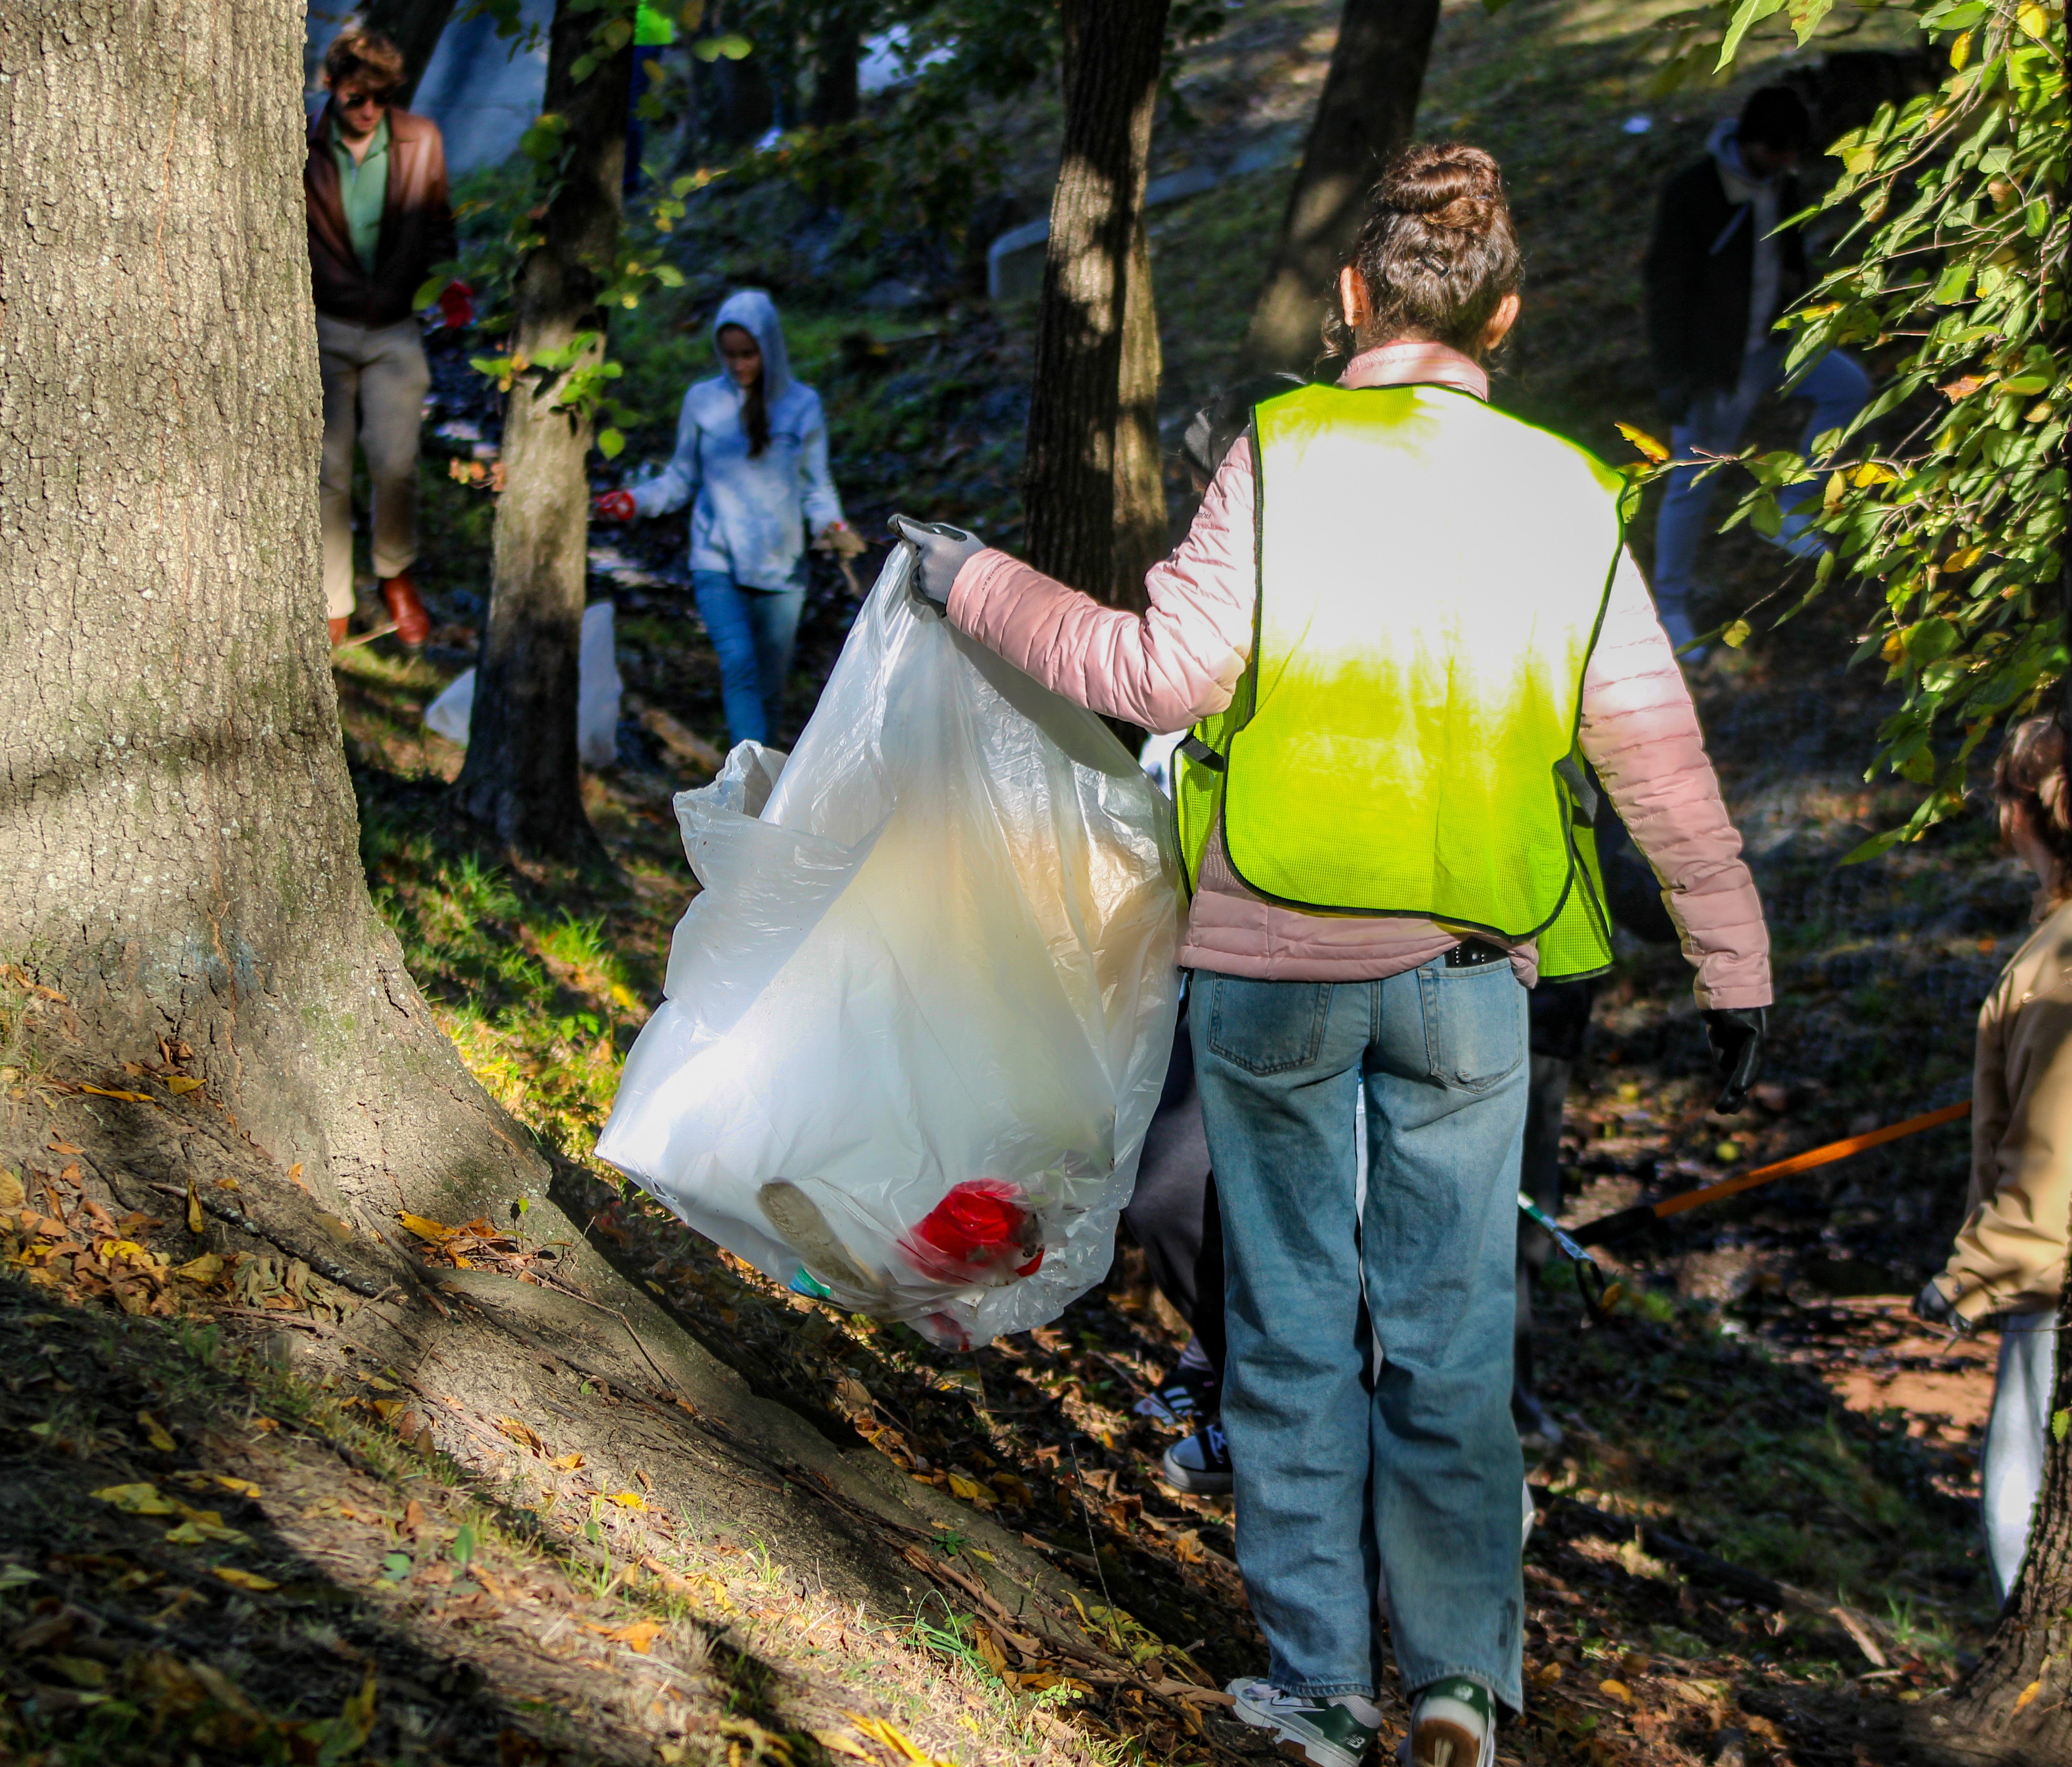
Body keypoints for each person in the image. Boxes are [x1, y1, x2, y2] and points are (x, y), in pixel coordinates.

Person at [893, 144, 1772, 1767]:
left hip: (1273, 966)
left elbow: (1154, 675)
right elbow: (1654, 747)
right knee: (1454, 1338)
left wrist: (971, 584)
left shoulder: (1282, 455)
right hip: (1469, 975)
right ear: (1507, 311)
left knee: (1293, 1331)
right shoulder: (1570, 492)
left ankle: (1315, 1695)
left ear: (1354, 300)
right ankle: (1455, 1688)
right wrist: (1736, 972)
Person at [1912, 715, 2072, 1607]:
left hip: (2065, 1294)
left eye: (2003, 792)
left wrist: (1974, 1275)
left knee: (2024, 1487)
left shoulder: (2069, 962)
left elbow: (2055, 1151)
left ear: (2031, 812)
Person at [1642, 82, 1869, 655]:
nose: (1790, 163)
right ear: (1753, 143)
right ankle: (1668, 607)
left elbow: (1791, 258)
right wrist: (1675, 375)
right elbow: (1665, 290)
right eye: (1781, 152)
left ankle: (1790, 509)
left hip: (1773, 347)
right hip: (1715, 366)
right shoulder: (1695, 192)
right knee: (1692, 484)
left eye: (1795, 153)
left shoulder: (1782, 183)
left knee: (1848, 387)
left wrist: (1808, 304)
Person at [597, 292, 863, 747]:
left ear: (770, 349)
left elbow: (816, 487)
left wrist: (831, 527)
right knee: (738, 663)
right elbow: (680, 478)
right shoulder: (703, 402)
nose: (740, 365)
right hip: (716, 560)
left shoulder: (801, 405)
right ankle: (748, 788)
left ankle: (766, 787)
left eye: (749, 354)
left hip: (782, 567)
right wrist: (635, 502)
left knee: (769, 688)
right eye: (730, 355)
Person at [308, 30, 468, 649]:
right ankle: (333, 599)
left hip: (396, 327)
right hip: (323, 324)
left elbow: (438, 225)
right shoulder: (303, 142)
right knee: (329, 469)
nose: (368, 110)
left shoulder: (419, 142)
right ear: (331, 87)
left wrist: (447, 287)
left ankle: (396, 573)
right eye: (356, 98)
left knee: (396, 464)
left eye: (379, 98)